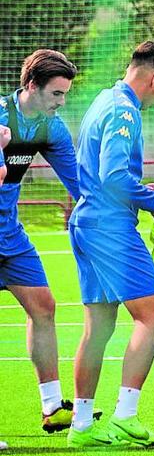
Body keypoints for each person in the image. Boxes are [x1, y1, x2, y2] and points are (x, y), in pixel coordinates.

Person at [68, 41, 154, 448]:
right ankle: (125, 417)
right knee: (151, 314)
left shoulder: (104, 99)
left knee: (98, 326)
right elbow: (114, 175)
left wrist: (141, 191)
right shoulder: (125, 110)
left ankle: (82, 427)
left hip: (86, 220)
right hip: (109, 226)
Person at [0, 51, 85, 436]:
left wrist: (130, 197)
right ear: (31, 86)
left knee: (44, 307)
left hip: (10, 236)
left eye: (65, 94)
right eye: (56, 93)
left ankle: (53, 405)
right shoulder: (2, 116)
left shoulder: (51, 129)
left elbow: (81, 184)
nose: (61, 102)